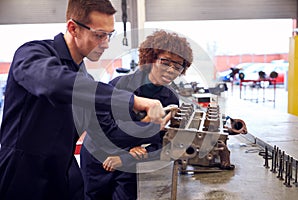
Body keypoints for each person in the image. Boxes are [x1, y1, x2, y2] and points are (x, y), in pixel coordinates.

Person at [0, 1, 166, 200]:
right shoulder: (32, 54)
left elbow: (103, 131)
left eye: (109, 35)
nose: (105, 43)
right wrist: (131, 101)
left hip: (63, 171)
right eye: (99, 35)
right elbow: (55, 84)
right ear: (73, 28)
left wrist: (148, 126)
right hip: (22, 174)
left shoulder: (82, 76)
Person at [80, 30, 193, 200]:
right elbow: (101, 131)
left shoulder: (170, 99)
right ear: (151, 59)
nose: (171, 70)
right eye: (165, 62)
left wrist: (127, 157)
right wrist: (148, 125)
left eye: (177, 66)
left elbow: (162, 143)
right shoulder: (118, 87)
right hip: (98, 157)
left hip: (129, 162)